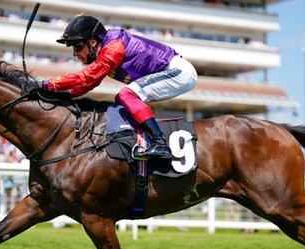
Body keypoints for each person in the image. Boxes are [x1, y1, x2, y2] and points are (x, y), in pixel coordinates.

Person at [41, 15, 198, 159]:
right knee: (124, 97)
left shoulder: (114, 47)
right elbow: (88, 84)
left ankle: (160, 143)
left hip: (179, 72)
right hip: (173, 71)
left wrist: (49, 84)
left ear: (93, 42)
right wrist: (60, 95)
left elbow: (87, 76)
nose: (75, 54)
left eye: (77, 47)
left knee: (126, 95)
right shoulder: (105, 49)